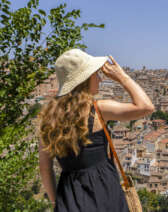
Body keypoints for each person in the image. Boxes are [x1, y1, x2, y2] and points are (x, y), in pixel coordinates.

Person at [37, 48, 155, 211]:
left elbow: (45, 168)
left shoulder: (48, 119)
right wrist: (122, 77)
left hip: (69, 198)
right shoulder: (98, 110)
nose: (100, 79)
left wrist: (55, 202)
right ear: (84, 79)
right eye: (95, 74)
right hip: (104, 192)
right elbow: (146, 107)